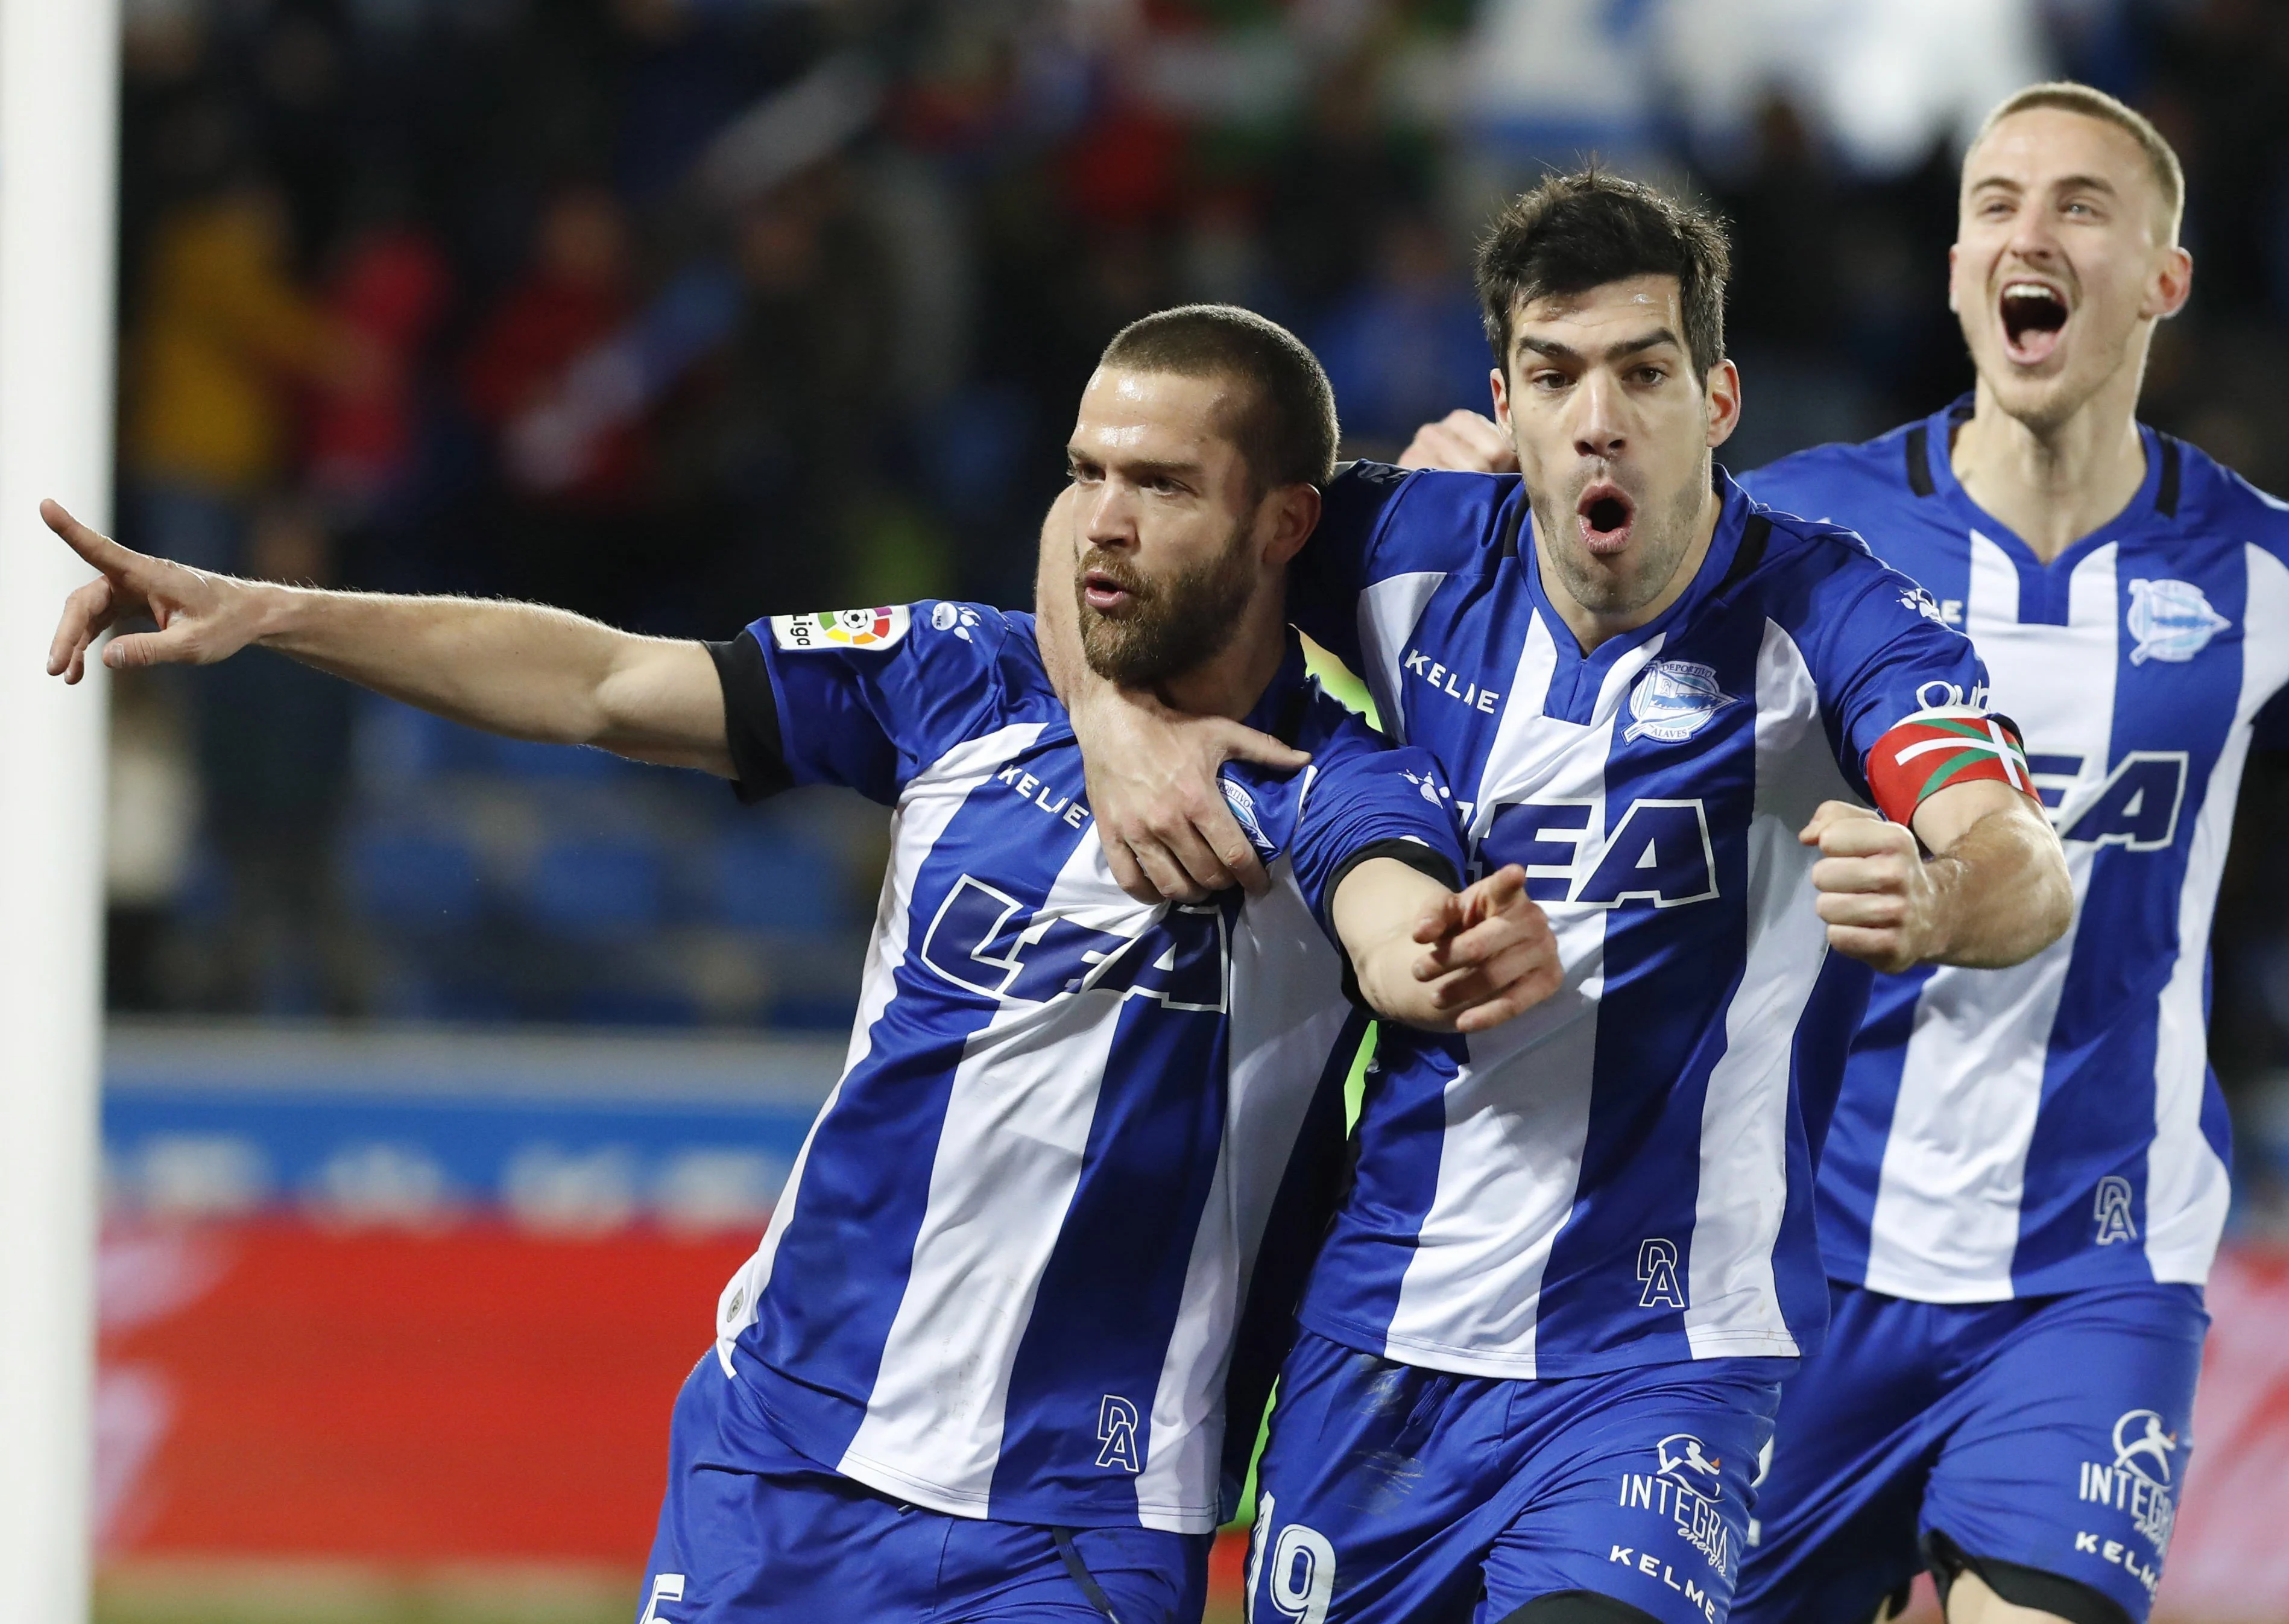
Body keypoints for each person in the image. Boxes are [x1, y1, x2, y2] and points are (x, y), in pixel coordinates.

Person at [1397, 83, 2289, 1624]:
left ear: (2164, 278)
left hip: (2091, 1271)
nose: (2029, 234)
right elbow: (1578, 632)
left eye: (2079, 205)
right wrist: (1496, 502)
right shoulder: (1789, 533)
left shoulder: (2261, 566)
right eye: (1994, 205)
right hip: (1797, 1268)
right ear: (1959, 272)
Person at [42, 304, 1567, 1624]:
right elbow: (603, 681)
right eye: (1087, 472)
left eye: (1161, 485)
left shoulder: (1338, 782)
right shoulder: (952, 679)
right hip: (774, 1450)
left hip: (1073, 1523)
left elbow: (1390, 925)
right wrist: (275, 613)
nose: (1105, 517)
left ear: (1283, 525)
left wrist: (1434, 961)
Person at [1041, 171, 2077, 1624]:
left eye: (1643, 373)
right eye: (1556, 375)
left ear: (1718, 400)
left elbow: (2023, 858)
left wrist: (1942, 890)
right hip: (1381, 1345)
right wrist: (1113, 728)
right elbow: (1112, 521)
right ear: (1506, 403)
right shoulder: (1402, 550)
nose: (1601, 417)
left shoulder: (1834, 615)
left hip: (1665, 1361)